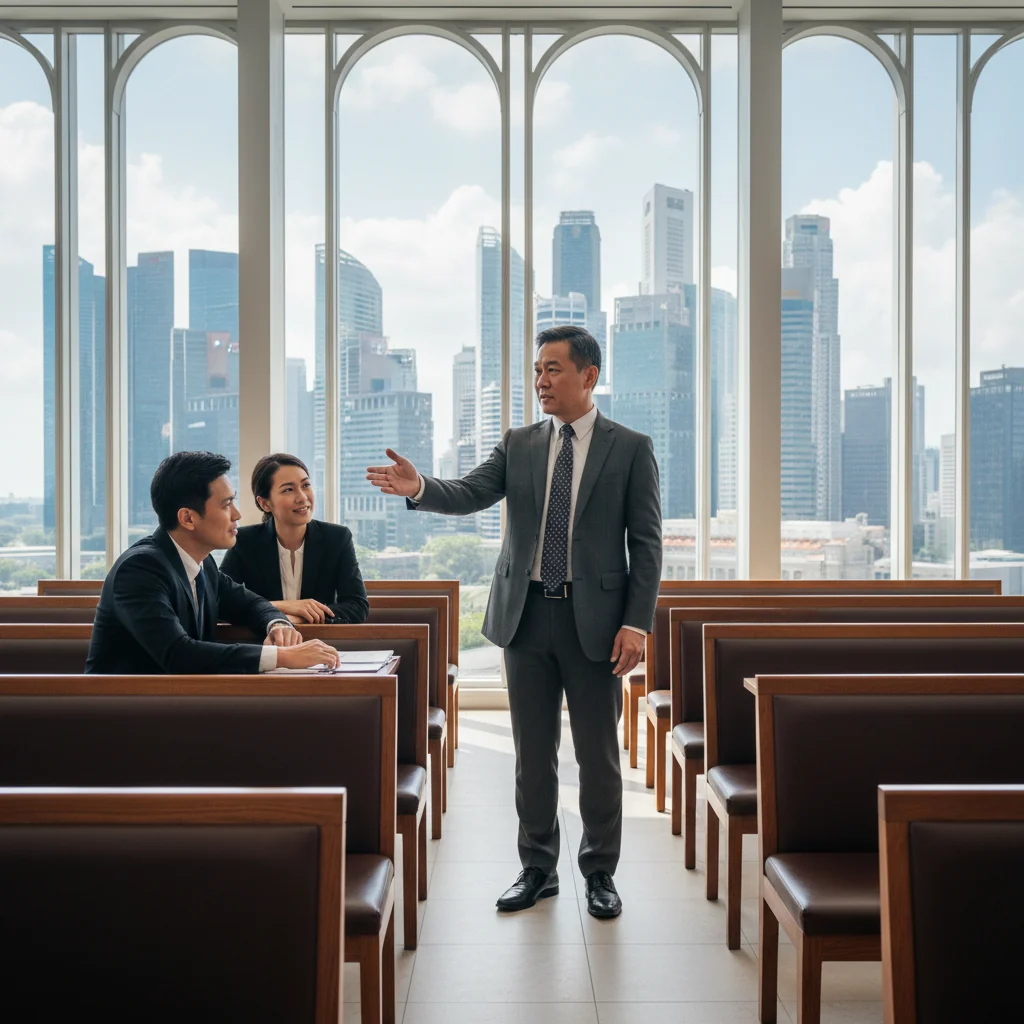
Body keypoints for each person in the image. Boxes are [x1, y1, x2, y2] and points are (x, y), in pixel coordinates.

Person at [367, 325, 662, 919]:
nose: (541, 381)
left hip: (596, 622)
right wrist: (420, 487)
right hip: (524, 617)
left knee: (599, 756)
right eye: (537, 370)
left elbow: (647, 543)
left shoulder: (630, 447)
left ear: (588, 376)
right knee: (532, 754)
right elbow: (470, 492)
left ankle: (599, 872)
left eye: (553, 369)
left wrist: (637, 623)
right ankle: (537, 868)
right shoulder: (519, 443)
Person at [86, 450, 343, 675]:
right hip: (124, 708)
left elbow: (250, 604)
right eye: (226, 504)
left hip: (178, 702)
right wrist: (283, 657)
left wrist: (277, 624)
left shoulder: (203, 563)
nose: (237, 514)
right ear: (188, 518)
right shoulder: (140, 569)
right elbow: (178, 654)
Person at [221, 453, 369, 625]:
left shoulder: (337, 538)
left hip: (321, 638)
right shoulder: (245, 541)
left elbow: (357, 606)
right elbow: (221, 600)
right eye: (288, 490)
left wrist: (299, 618)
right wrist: (283, 608)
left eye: (306, 485)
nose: (303, 497)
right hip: (266, 639)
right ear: (265, 503)